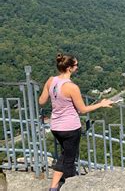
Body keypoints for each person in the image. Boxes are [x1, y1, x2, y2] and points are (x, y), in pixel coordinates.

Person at [39, 53, 114, 191]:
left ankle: (55, 186)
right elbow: (83, 109)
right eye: (76, 65)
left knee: (65, 154)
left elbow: (41, 101)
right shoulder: (72, 87)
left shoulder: (51, 81)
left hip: (55, 126)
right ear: (69, 68)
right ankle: (67, 185)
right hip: (70, 128)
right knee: (69, 159)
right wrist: (101, 104)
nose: (77, 67)